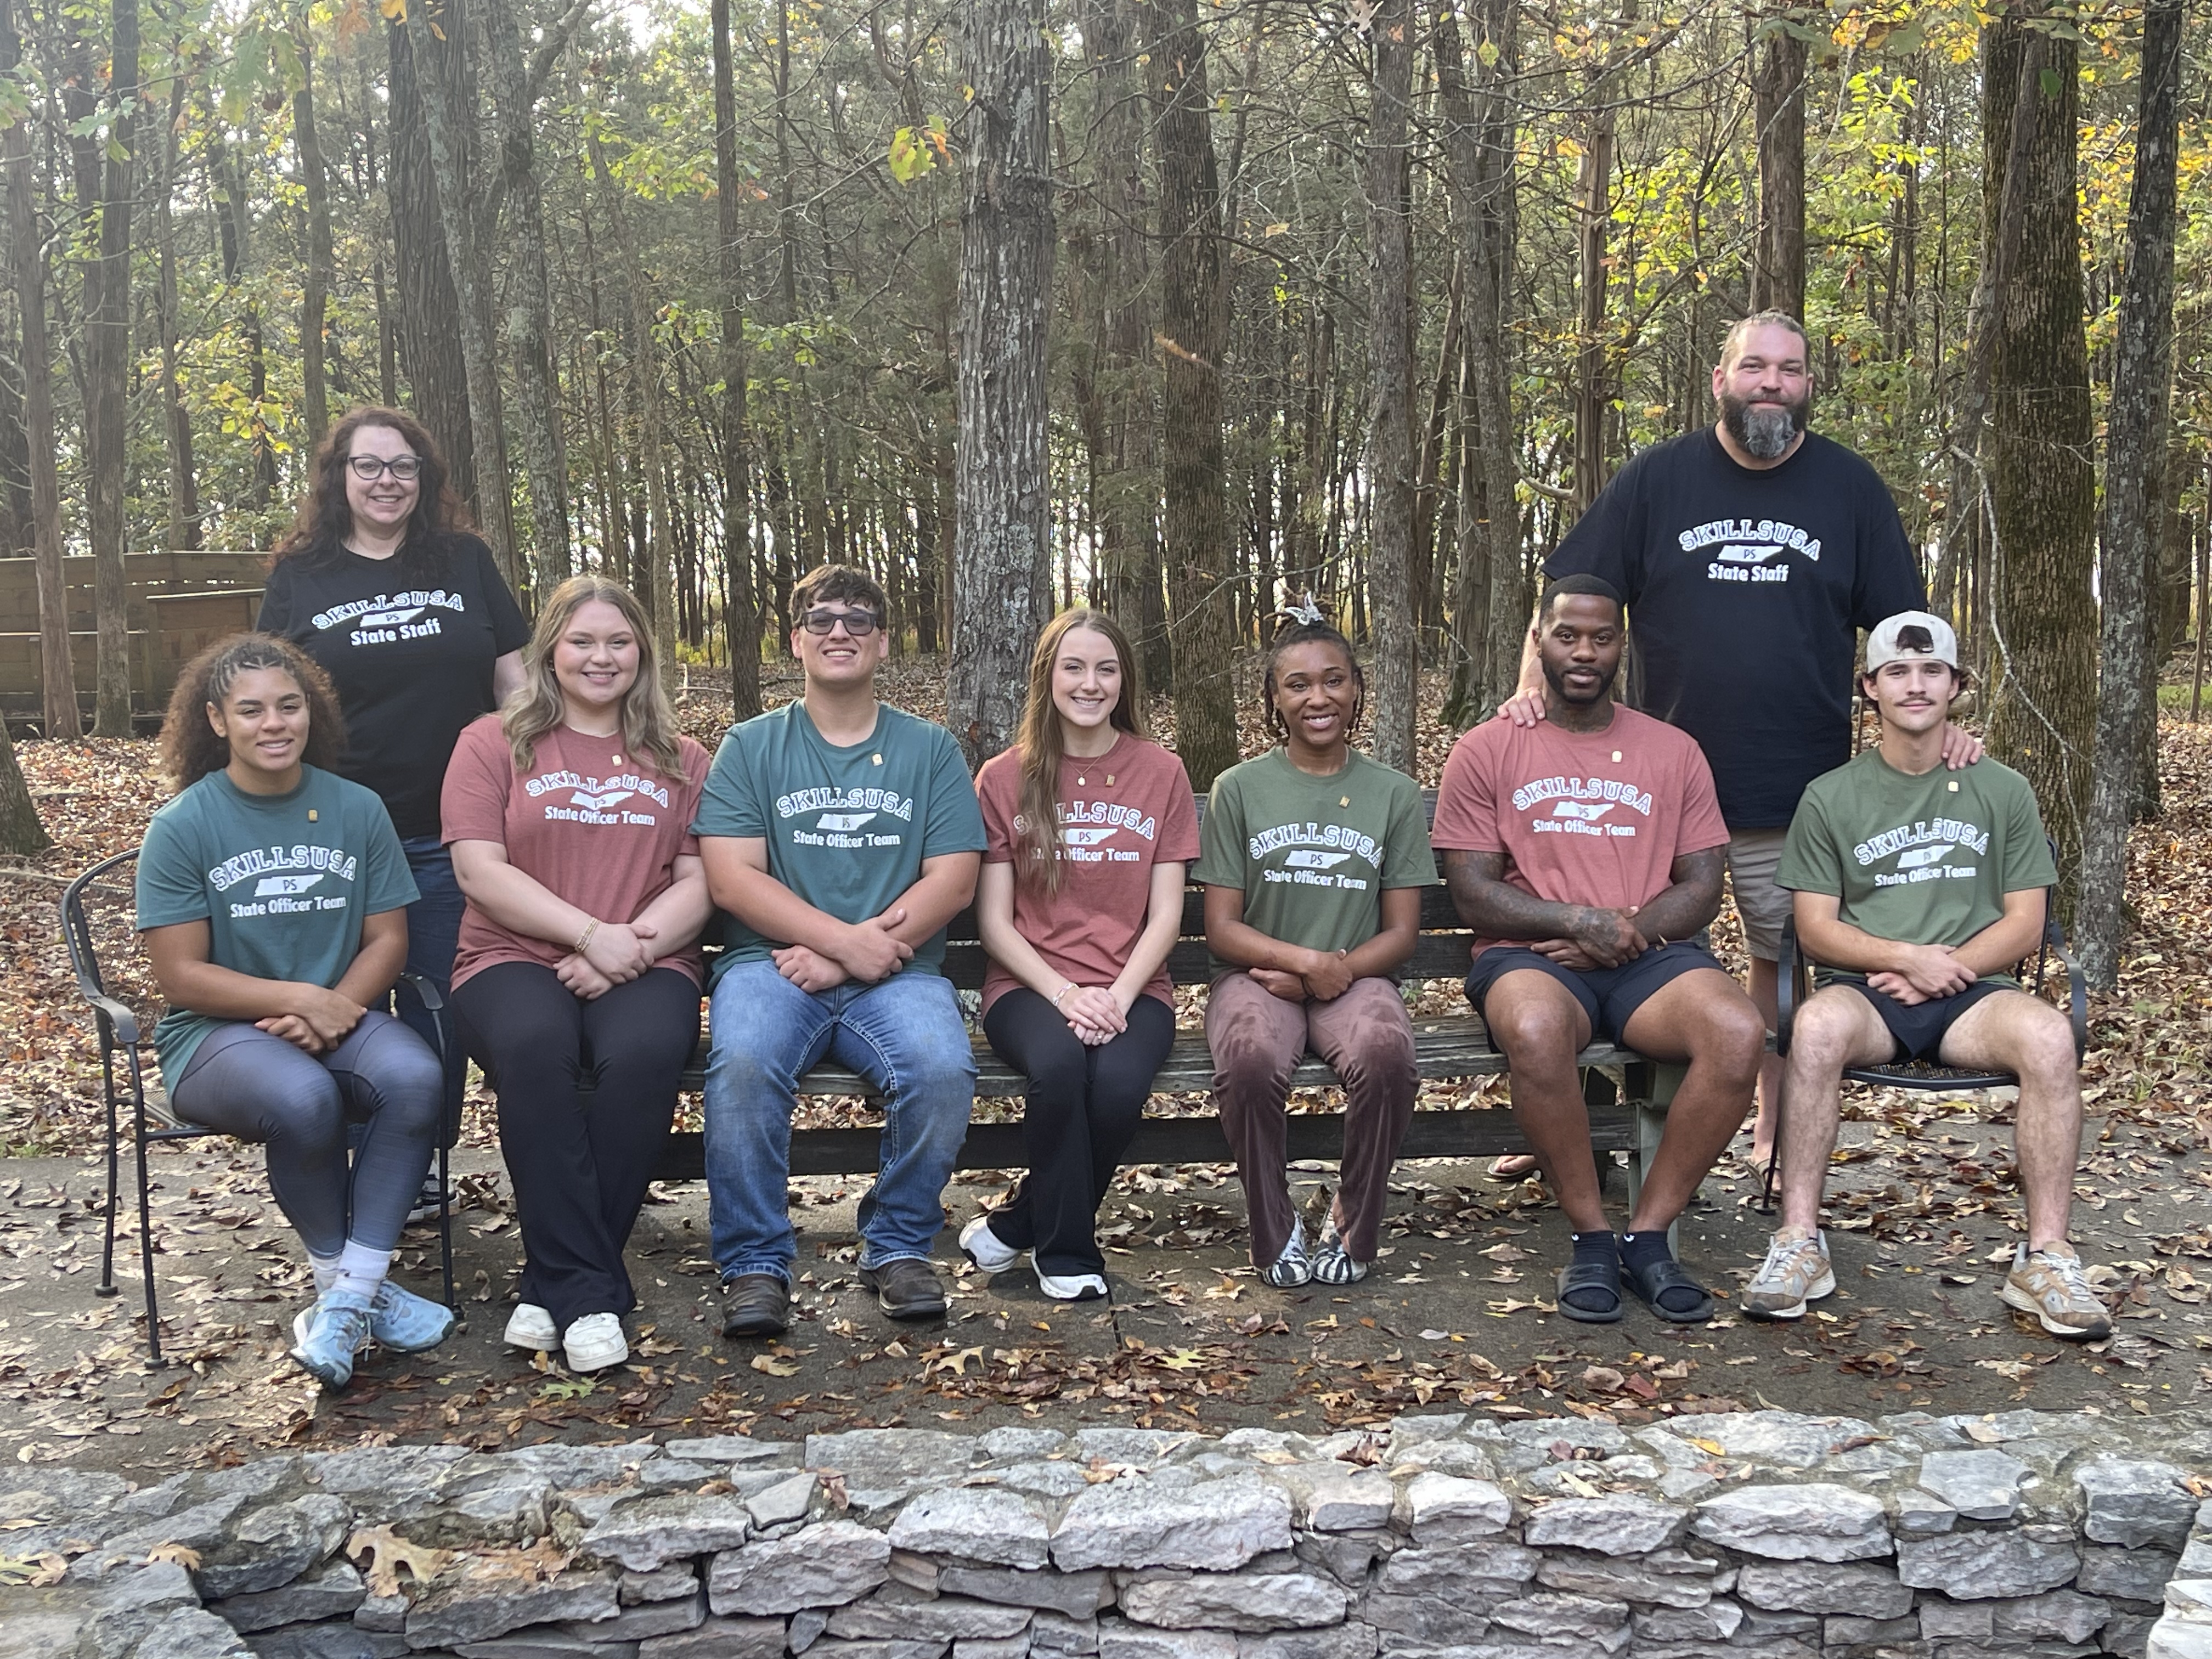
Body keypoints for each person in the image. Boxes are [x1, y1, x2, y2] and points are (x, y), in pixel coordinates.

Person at [1499, 313, 1971, 1174]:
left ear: (1807, 388)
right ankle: (1580, 1126)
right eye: (1753, 367)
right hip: (1639, 784)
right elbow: (1576, 590)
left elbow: (1908, 632)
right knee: (1616, 942)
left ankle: (1774, 1125)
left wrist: (1944, 727)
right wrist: (1532, 684)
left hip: (1787, 785)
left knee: (1777, 961)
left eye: (1790, 371)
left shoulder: (1850, 489)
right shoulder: (1658, 480)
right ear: (1719, 380)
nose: (1771, 383)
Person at [1747, 612, 2108, 1339]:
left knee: (2048, 1038)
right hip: (1870, 994)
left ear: (1958, 686)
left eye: (1932, 670)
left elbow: (2026, 922)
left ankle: (2047, 1257)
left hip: (1976, 997)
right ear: (1870, 688)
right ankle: (1798, 1243)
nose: (1916, 685)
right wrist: (1904, 959)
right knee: (1813, 1028)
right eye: (1898, 672)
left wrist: (1946, 968)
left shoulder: (2002, 790)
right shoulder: (1832, 796)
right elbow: (1815, 927)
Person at [1435, 577, 1763, 1324]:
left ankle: (1648, 1239)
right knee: (1535, 1029)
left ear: (1622, 644)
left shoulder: (1673, 751)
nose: (1585, 652)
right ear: (1540, 642)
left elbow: (1703, 883)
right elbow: (1473, 891)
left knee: (1737, 1031)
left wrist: (1627, 931)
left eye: (1602, 637)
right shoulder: (1487, 750)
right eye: (1567, 636)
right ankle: (1589, 1235)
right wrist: (1580, 922)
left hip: (1646, 957)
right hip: (1530, 954)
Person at [135, 634, 452, 1389]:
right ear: (217, 721)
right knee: (304, 1098)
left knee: (415, 1075)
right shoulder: (184, 825)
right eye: (251, 711)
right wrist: (299, 999)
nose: (274, 724)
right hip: (217, 1036)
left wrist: (333, 1006)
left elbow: (388, 939)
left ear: (312, 712)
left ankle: (348, 1297)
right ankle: (353, 1287)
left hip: (337, 1017)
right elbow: (181, 977)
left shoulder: (357, 808)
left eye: (289, 705)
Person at [693, 564, 985, 1336]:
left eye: (859, 620)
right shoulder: (751, 747)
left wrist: (861, 952)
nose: (839, 633)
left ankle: (896, 1245)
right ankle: (754, 1264)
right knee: (746, 1063)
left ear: (883, 643)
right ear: (796, 642)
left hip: (897, 971)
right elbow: (731, 877)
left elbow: (954, 880)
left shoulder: (930, 750)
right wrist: (836, 943)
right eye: (821, 620)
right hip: (770, 966)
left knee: (941, 1067)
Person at [258, 408, 532, 1190]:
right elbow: (269, 695)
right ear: (338, 476)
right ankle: (339, 1172)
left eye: (403, 466)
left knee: (440, 1017)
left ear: (425, 477)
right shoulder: (302, 574)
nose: (387, 481)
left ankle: (414, 1172)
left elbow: (513, 684)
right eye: (369, 465)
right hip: (334, 838)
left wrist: (523, 780)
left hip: (454, 835)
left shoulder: (463, 559)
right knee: (340, 1009)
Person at [443, 577, 713, 1373]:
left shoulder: (682, 756)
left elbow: (701, 879)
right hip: (508, 955)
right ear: (551, 652)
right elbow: (479, 871)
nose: (601, 658)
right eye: (583, 642)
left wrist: (631, 945)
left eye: (619, 642)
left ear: (643, 654)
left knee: (644, 1056)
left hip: (650, 956)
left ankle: (553, 1283)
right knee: (534, 1048)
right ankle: (589, 1289)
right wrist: (590, 935)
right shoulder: (491, 743)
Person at [1195, 606, 1437, 1288]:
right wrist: (1303, 967)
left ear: (1357, 688)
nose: (1317, 698)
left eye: (1333, 680)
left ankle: (1352, 1222)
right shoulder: (1238, 789)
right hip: (1255, 978)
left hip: (1356, 977)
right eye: (1297, 685)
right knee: (1247, 1060)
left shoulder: (1392, 794)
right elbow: (1221, 929)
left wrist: (1332, 973)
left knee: (1387, 1054)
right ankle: (1274, 1230)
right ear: (1274, 699)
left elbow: (1403, 932)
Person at [966, 609, 1198, 1301]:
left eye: (1105, 668)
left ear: (1123, 681)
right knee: (1062, 1066)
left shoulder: (1161, 773)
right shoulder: (1005, 778)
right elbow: (995, 923)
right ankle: (1065, 1252)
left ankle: (1018, 1223)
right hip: (1027, 988)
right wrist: (1068, 996)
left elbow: (1166, 915)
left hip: (1136, 989)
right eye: (1074, 666)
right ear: (1048, 676)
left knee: (1121, 1086)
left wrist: (1118, 997)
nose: (1089, 683)